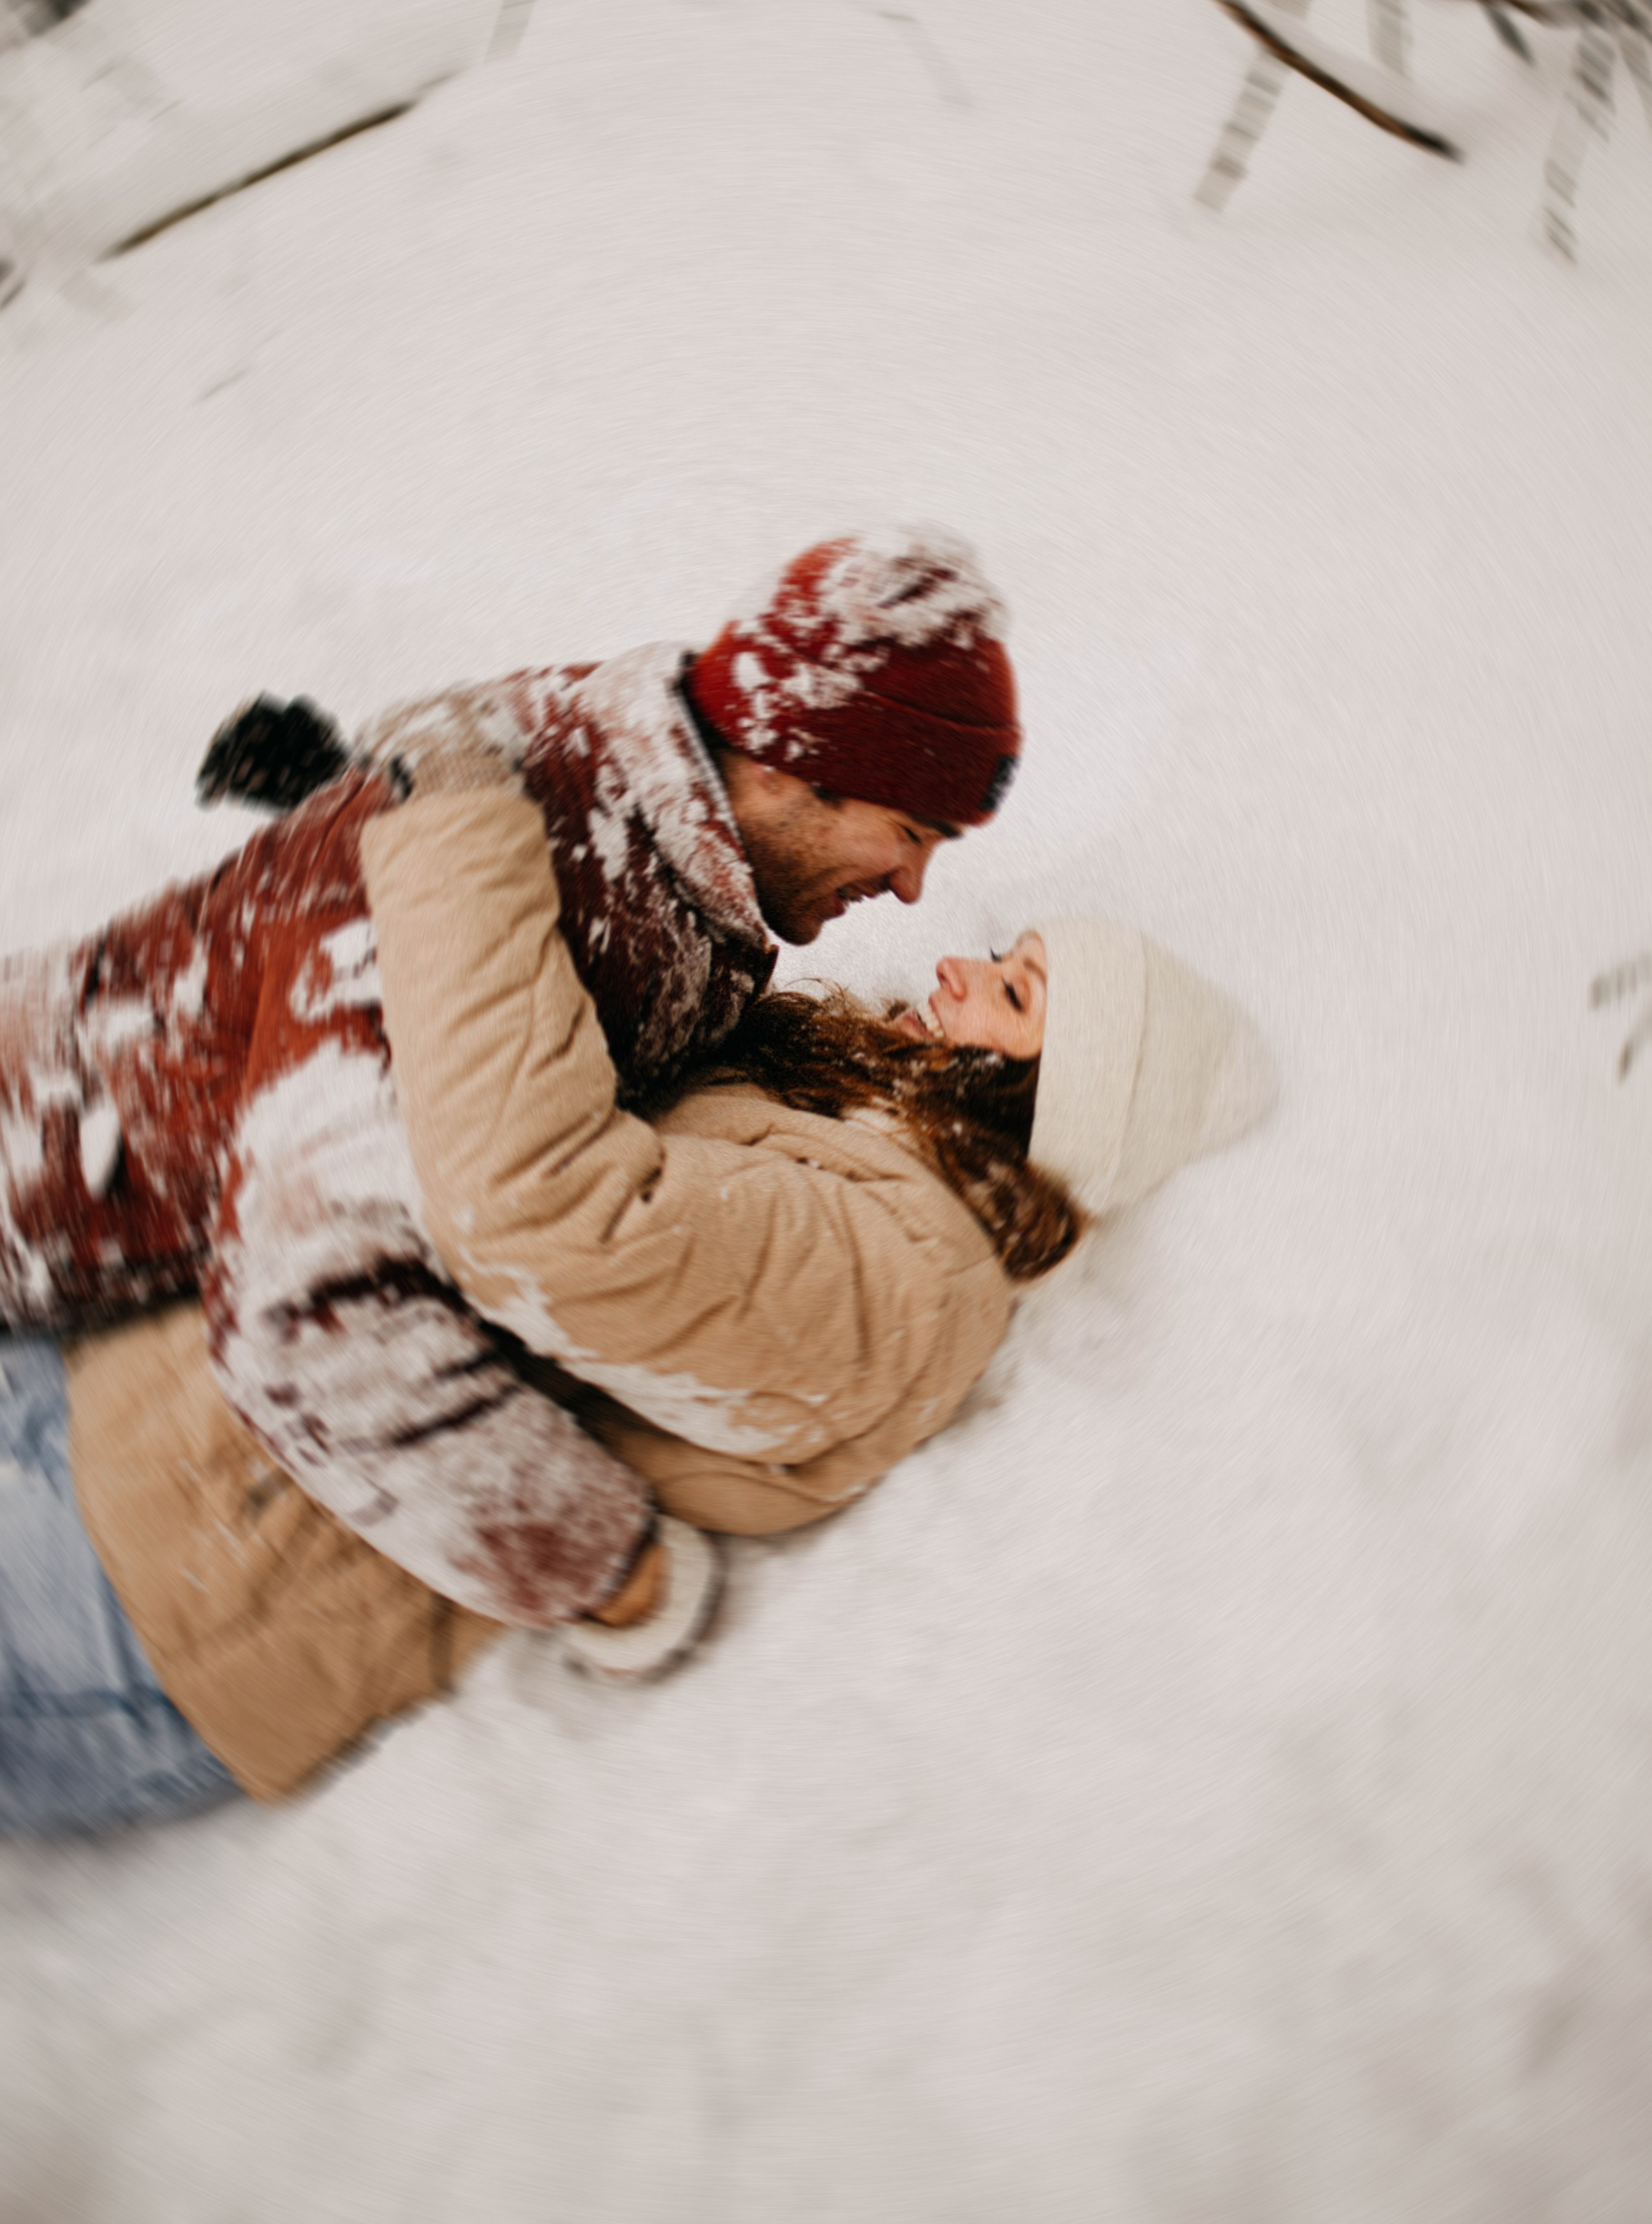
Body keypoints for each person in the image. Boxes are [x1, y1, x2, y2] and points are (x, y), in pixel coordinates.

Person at [0, 742, 1276, 1834]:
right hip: (140, 1374)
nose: (956, 972)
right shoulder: (834, 1108)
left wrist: (447, 833)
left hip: (178, 1571)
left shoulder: (911, 1276)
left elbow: (555, 1220)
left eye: (1014, 995)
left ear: (1060, 1104)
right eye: (1001, 956)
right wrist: (365, 824)